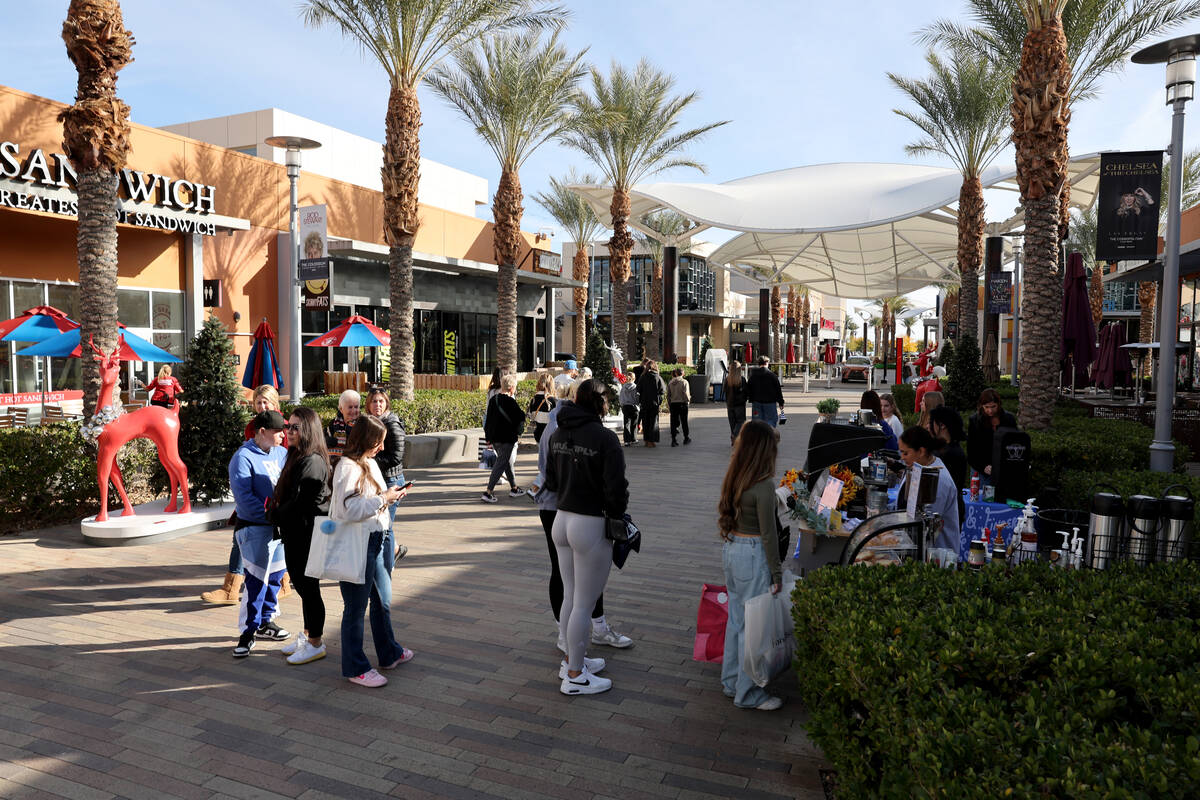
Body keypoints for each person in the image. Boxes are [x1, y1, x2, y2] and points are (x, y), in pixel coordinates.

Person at [544, 379, 629, 695]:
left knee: (571, 596)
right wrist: (617, 515)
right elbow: (616, 489)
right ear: (601, 403)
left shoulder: (557, 433)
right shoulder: (604, 438)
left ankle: (571, 660)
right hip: (589, 523)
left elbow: (551, 481)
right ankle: (576, 676)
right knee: (583, 603)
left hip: (562, 519)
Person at [331, 416, 412, 687]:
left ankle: (389, 652)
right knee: (355, 608)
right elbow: (350, 510)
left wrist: (390, 495)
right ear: (367, 441)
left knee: (383, 600)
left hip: (375, 540)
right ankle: (355, 667)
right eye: (378, 442)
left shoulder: (369, 463)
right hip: (357, 544)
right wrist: (384, 498)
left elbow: (369, 503)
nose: (381, 447)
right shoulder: (347, 468)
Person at [715, 420, 784, 711]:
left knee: (737, 621)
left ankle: (732, 682)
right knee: (753, 631)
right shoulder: (765, 485)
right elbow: (769, 534)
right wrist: (777, 571)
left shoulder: (736, 475)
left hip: (732, 549)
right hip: (754, 554)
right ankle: (750, 693)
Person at [202, 384, 290, 605]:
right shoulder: (253, 429)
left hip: (274, 502)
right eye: (258, 402)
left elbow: (283, 457)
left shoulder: (281, 428)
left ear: (274, 403)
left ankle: (282, 584)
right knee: (240, 539)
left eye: (265, 402)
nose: (261, 406)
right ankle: (231, 588)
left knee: (277, 543)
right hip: (255, 498)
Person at [268, 407, 331, 665]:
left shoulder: (312, 461)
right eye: (288, 426)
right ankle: (308, 635)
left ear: (308, 430)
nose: (289, 431)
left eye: (295, 427)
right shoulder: (298, 457)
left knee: (309, 588)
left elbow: (300, 503)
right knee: (304, 587)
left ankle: (315, 642)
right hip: (296, 533)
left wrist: (273, 514)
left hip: (307, 535)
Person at [227, 410, 291, 658]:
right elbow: (244, 499)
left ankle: (266, 622)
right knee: (256, 582)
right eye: (277, 431)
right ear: (261, 432)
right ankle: (248, 631)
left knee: (275, 577)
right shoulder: (242, 458)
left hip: (278, 529)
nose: (282, 435)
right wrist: (273, 516)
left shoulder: (281, 452)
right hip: (255, 529)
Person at [897, 426, 961, 554]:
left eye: (906, 453)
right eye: (901, 453)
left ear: (921, 451)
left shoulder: (938, 479)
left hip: (937, 553)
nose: (902, 458)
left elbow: (928, 525)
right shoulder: (914, 468)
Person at [365, 387, 407, 563]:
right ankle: (395, 551)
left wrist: (370, 458)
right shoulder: (371, 422)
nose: (377, 405)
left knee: (386, 527)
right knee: (383, 525)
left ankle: (388, 564)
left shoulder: (391, 423)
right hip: (378, 479)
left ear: (386, 403)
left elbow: (396, 456)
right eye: (374, 401)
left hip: (392, 479)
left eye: (381, 401)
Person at [481, 373, 526, 503]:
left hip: (495, 438)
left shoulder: (493, 400)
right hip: (507, 438)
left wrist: (488, 438)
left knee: (506, 462)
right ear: (511, 388)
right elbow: (520, 417)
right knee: (501, 463)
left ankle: (514, 488)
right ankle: (488, 492)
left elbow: (488, 420)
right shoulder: (511, 402)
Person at [967, 388, 1018, 486]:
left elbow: (1014, 445)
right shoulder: (975, 421)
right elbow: (971, 450)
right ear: (981, 406)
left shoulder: (1009, 419)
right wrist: (983, 467)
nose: (990, 410)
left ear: (998, 404)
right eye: (986, 407)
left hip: (1003, 469)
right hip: (981, 470)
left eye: (993, 406)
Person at [928, 405, 968, 494]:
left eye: (932, 422)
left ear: (942, 425)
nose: (929, 425)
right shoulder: (950, 449)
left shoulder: (949, 453)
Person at [746, 355, 784, 428]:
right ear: (767, 363)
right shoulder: (772, 375)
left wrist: (750, 398)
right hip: (770, 403)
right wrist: (781, 402)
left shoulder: (753, 376)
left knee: (756, 422)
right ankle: (768, 436)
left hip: (756, 402)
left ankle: (758, 437)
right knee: (771, 421)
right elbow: (778, 390)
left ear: (758, 363)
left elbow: (748, 388)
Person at [636, 360, 666, 447]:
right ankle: (651, 441)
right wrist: (659, 400)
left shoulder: (643, 377)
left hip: (644, 403)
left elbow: (638, 389)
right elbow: (663, 390)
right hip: (654, 403)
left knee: (645, 422)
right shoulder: (657, 377)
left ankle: (646, 440)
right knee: (653, 422)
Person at [325, 389, 361, 460]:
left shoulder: (362, 423)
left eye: (356, 407)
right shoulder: (333, 423)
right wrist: (327, 441)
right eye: (350, 407)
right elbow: (322, 440)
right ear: (341, 409)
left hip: (355, 463)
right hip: (334, 462)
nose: (353, 411)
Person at [528, 372, 557, 444]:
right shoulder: (553, 401)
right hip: (552, 436)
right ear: (551, 385)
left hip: (539, 435)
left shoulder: (533, 400)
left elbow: (531, 417)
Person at [725, 360, 748, 445]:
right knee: (741, 421)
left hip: (730, 404)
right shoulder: (742, 380)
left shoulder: (727, 380)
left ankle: (734, 439)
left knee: (732, 422)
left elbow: (725, 392)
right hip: (740, 405)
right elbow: (746, 392)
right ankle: (734, 436)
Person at [667, 368, 692, 446]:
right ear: (683, 374)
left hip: (673, 404)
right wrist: (687, 401)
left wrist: (670, 404)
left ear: (676, 374)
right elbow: (686, 393)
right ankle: (686, 438)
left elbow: (668, 395)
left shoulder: (670, 382)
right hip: (682, 403)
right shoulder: (684, 382)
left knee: (673, 422)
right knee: (684, 421)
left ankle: (673, 439)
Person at [618, 374, 640, 447]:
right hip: (634, 407)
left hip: (625, 407)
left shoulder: (623, 387)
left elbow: (621, 397)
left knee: (626, 423)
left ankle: (627, 441)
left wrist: (622, 404)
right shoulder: (636, 387)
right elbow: (637, 397)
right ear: (634, 378)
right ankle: (633, 439)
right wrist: (638, 405)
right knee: (634, 423)